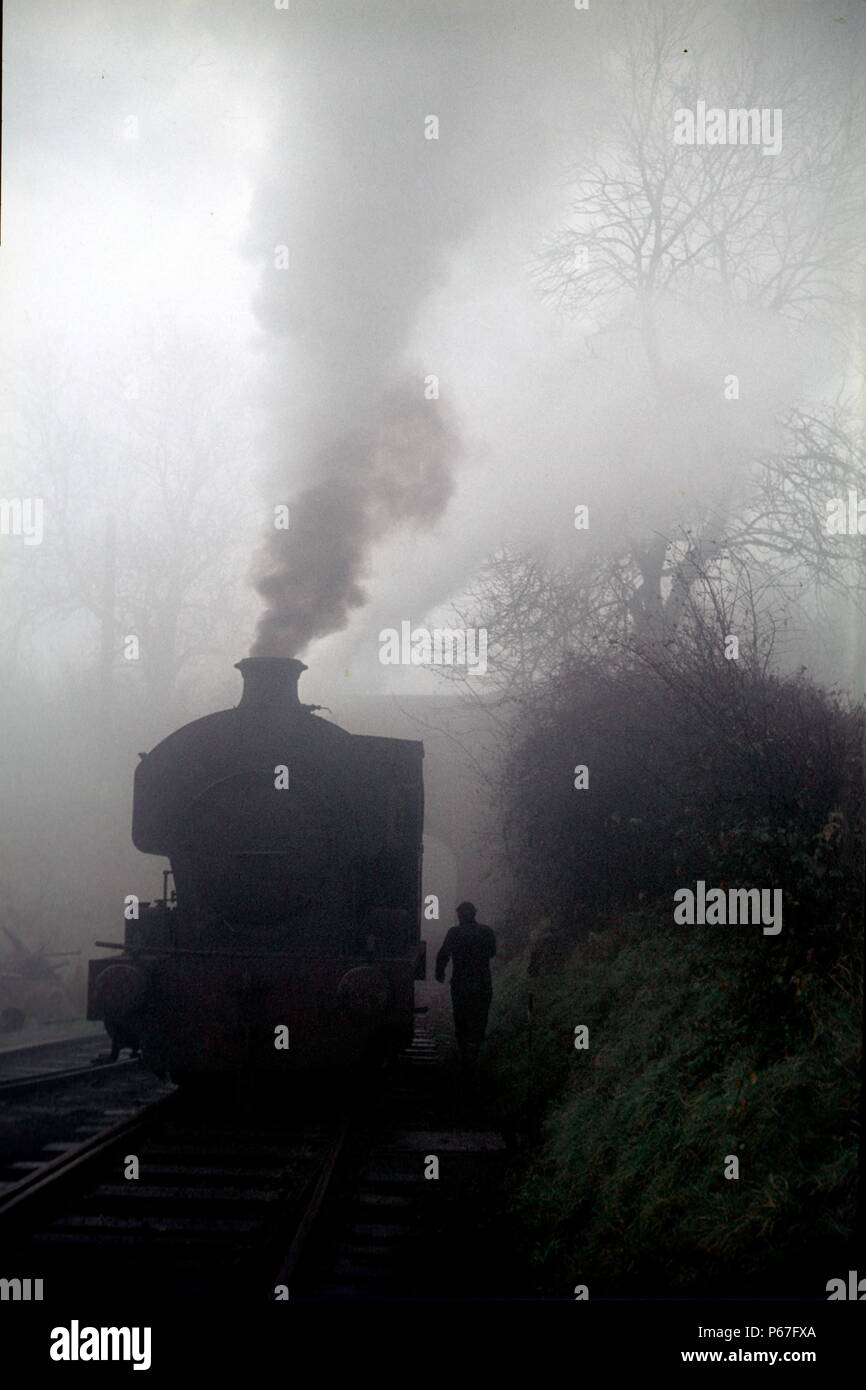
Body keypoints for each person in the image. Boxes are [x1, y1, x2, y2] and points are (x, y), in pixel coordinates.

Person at [435, 902, 496, 1069]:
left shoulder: (454, 933)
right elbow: (492, 952)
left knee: (461, 1016)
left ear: (459, 915)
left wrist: (439, 972)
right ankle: (474, 1049)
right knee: (480, 1016)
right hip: (482, 982)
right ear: (474, 914)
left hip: (461, 983)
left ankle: (463, 1050)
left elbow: (443, 954)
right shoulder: (486, 932)